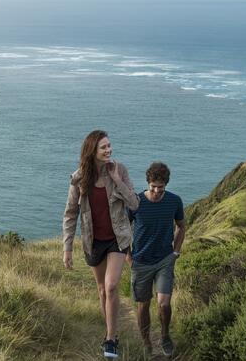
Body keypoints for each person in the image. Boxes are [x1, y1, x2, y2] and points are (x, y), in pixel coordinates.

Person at [62, 130, 139, 359]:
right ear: (92, 151)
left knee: (112, 286)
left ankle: (111, 339)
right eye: (103, 147)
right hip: (93, 241)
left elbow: (134, 204)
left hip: (118, 238)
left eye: (109, 146)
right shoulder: (78, 179)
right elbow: (70, 214)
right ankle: (109, 330)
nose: (109, 150)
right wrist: (67, 248)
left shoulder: (120, 170)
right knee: (102, 289)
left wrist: (116, 179)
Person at [128, 162, 186, 357]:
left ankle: (164, 335)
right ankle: (146, 342)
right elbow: (123, 230)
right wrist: (128, 255)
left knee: (164, 303)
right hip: (140, 261)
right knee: (143, 305)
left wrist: (175, 252)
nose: (156, 191)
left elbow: (181, 226)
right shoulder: (135, 202)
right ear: (148, 183)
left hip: (164, 260)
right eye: (153, 186)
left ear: (166, 185)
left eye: (160, 187)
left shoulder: (174, 201)